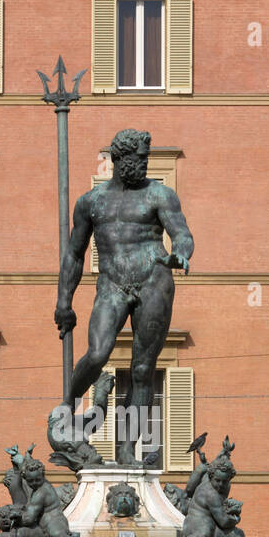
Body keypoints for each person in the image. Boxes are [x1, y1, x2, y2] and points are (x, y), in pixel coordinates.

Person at [55, 127, 194, 467]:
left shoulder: (160, 195)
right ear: (119, 159)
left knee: (143, 369)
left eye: (147, 158)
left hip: (154, 280)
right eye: (139, 158)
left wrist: (180, 253)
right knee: (98, 353)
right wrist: (64, 301)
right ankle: (68, 405)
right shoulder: (91, 202)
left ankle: (125, 450)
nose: (145, 164)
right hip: (111, 283)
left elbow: (182, 234)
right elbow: (75, 254)